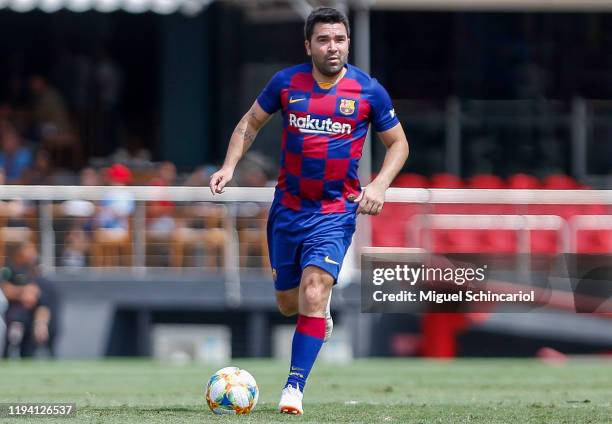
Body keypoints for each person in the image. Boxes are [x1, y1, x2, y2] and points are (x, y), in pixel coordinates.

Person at [209, 7, 409, 415]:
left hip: (335, 211)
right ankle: (316, 314)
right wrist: (229, 166)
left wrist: (379, 185)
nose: (332, 46)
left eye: (338, 39)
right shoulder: (287, 83)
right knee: (288, 303)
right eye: (323, 39)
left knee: (314, 290)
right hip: (288, 208)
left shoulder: (369, 91)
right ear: (308, 45)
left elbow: (399, 144)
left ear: (348, 42)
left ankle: (293, 389)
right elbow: (250, 123)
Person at [0, 241, 58, 358]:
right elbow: (4, 288)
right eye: (28, 249)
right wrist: (22, 292)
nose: (32, 253)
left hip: (30, 317)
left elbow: (36, 295)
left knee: (28, 351)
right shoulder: (9, 269)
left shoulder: (34, 272)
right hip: (12, 316)